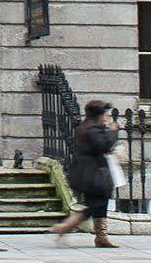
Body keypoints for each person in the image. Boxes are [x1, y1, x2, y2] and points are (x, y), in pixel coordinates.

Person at [50, 99, 120, 248]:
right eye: (104, 114)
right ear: (98, 115)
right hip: (91, 174)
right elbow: (103, 145)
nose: (106, 117)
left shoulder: (90, 127)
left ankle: (101, 237)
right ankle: (66, 226)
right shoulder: (91, 129)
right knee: (96, 205)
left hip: (91, 173)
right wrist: (113, 132)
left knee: (100, 203)